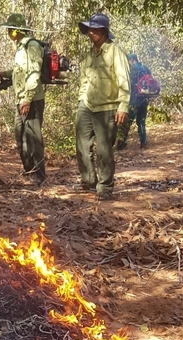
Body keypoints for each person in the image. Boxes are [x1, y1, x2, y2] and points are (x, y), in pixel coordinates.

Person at [75, 13, 130, 200]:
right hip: (87, 105)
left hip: (107, 107)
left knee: (104, 149)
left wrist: (123, 105)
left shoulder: (116, 52)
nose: (91, 32)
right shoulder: (89, 55)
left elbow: (123, 80)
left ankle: (105, 187)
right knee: (82, 143)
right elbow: (84, 80)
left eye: (95, 29)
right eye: (89, 29)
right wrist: (82, 99)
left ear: (104, 31)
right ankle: (88, 180)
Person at [0, 13, 46, 185]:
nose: (7, 32)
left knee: (33, 138)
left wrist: (28, 99)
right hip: (20, 100)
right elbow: (20, 71)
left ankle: (39, 176)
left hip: (32, 100)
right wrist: (3, 74)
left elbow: (34, 73)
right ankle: (29, 171)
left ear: (16, 31)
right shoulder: (20, 48)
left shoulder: (32, 46)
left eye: (9, 29)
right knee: (20, 136)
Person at [116, 53, 151, 150]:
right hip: (145, 99)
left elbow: (128, 84)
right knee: (141, 121)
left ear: (131, 60)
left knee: (126, 121)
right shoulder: (146, 69)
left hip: (134, 100)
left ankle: (121, 144)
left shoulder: (132, 70)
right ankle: (143, 143)